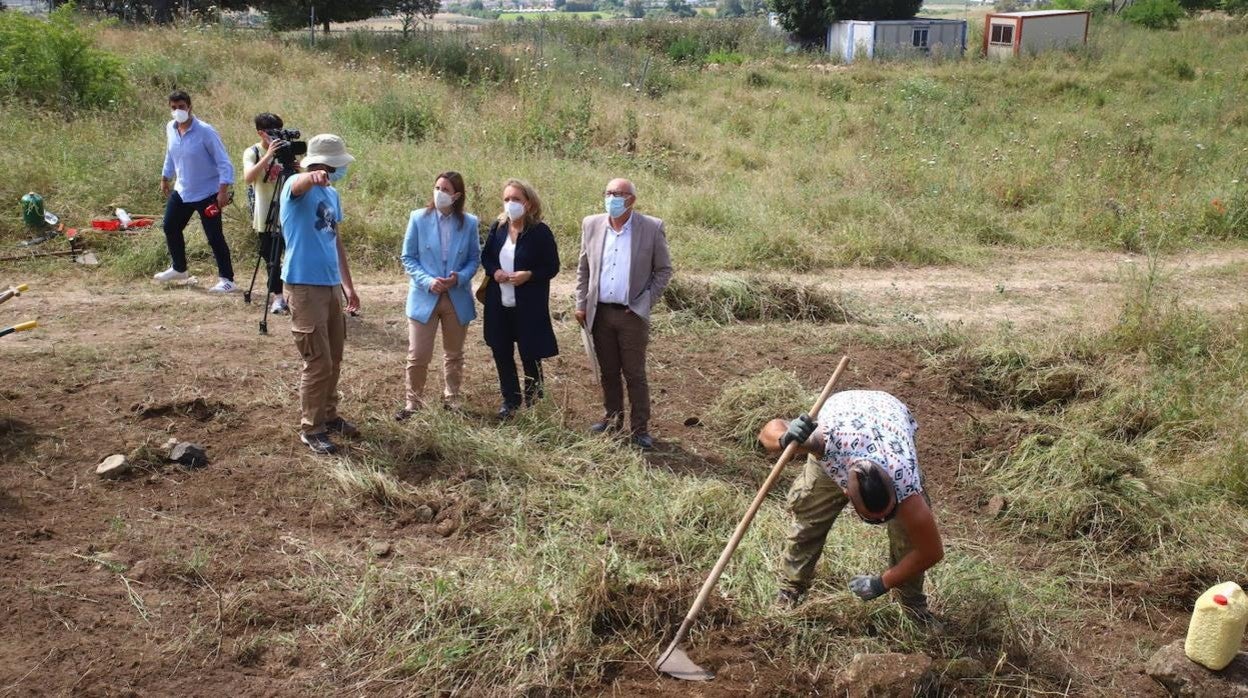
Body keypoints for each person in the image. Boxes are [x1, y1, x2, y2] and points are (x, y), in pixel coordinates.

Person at [757, 390, 944, 624]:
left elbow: (931, 551)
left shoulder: (906, 487)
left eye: (887, 514)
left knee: (908, 538)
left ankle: (914, 608)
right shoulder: (824, 442)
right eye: (871, 519)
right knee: (811, 516)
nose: (881, 522)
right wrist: (785, 438)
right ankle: (790, 589)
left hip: (888, 414)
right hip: (844, 416)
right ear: (845, 491)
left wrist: (881, 583)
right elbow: (769, 430)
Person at [574, 178, 672, 450]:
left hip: (631, 315)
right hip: (600, 312)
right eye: (608, 193)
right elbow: (583, 268)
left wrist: (644, 303)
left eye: (618, 194)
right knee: (608, 370)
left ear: (632, 200)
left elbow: (663, 270)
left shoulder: (651, 228)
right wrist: (580, 302)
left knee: (634, 373)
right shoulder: (591, 224)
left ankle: (640, 428)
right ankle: (612, 418)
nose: (612, 198)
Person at [278, 134, 361, 455]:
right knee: (317, 360)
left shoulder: (333, 194)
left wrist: (348, 285)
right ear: (323, 164)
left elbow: (334, 240)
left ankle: (329, 414)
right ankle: (311, 428)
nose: (341, 170)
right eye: (336, 165)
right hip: (303, 285)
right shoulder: (294, 188)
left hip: (329, 286)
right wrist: (309, 176)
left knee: (334, 356)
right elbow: (297, 185)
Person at [397, 172, 480, 419]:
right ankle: (413, 403)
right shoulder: (418, 218)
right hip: (425, 295)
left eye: (445, 189)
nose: (439, 192)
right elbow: (408, 257)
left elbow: (474, 259)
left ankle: (452, 399)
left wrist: (459, 278)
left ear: (456, 196)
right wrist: (428, 281)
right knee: (418, 354)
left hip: (456, 296)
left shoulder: (470, 223)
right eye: (437, 187)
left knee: (454, 354)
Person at [480, 179, 560, 419]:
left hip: (528, 306)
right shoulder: (499, 227)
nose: (510, 204)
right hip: (499, 303)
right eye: (506, 199)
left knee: (530, 354)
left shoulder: (540, 232)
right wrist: (495, 272)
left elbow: (552, 267)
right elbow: (487, 258)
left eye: (516, 199)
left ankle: (535, 403)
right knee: (501, 351)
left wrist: (530, 275)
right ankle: (510, 400)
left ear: (529, 203)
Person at [154, 90, 237, 293]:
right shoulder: (170, 128)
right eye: (173, 108)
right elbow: (171, 154)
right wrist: (165, 177)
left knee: (214, 236)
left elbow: (224, 162)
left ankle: (227, 279)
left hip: (207, 192)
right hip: (182, 190)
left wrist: (223, 191)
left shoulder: (205, 131)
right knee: (170, 226)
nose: (178, 111)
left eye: (181, 107)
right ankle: (179, 268)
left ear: (190, 107)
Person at [242, 112, 297, 315]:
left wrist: (298, 168)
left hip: (289, 212)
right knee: (271, 257)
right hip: (265, 213)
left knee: (290, 254)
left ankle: (292, 294)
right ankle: (277, 297)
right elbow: (248, 177)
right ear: (261, 133)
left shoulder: (285, 152)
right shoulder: (253, 152)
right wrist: (268, 155)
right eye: (273, 133)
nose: (278, 137)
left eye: (280, 132)